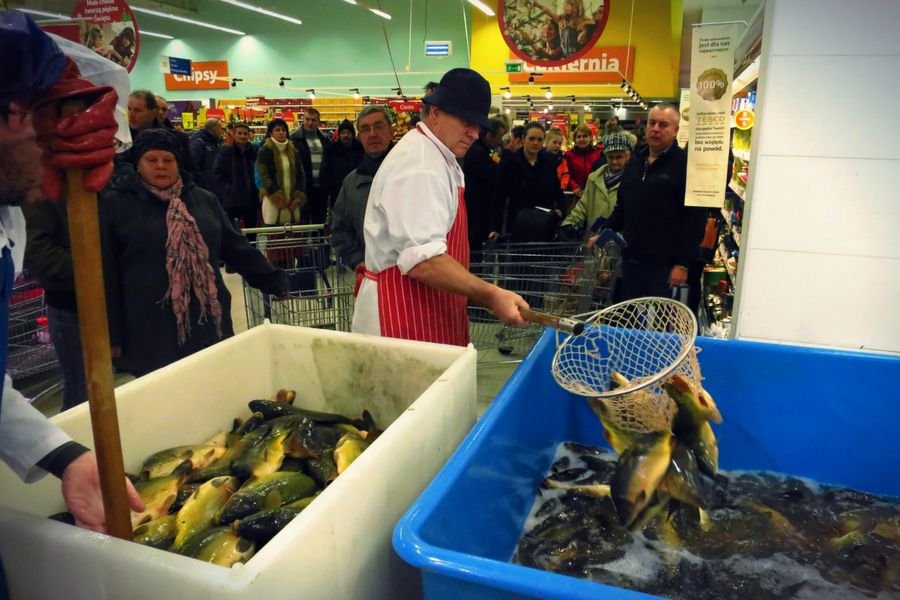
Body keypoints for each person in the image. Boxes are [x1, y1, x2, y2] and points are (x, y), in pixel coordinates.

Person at [0, 11, 143, 547]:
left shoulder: (7, 218)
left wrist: (65, 458)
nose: (59, 160)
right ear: (14, 116)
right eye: (48, 131)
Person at [352, 68, 529, 345]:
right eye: (465, 120)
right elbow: (424, 261)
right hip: (400, 315)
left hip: (426, 306)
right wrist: (490, 295)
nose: (473, 132)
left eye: (478, 124)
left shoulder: (438, 156)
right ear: (435, 113)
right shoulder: (420, 165)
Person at [100, 128, 289, 377]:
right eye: (151, 160)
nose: (160, 166)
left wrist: (273, 280)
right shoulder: (117, 204)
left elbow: (235, 247)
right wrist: (112, 335)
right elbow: (106, 274)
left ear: (179, 163)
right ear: (138, 163)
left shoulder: (202, 200)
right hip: (149, 329)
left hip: (207, 323)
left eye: (168, 160)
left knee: (213, 388)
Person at [606, 104, 707, 302]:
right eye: (652, 123)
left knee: (659, 326)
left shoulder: (685, 166)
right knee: (630, 320)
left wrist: (683, 264)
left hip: (665, 267)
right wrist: (604, 232)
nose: (655, 129)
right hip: (632, 261)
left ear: (675, 131)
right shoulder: (636, 161)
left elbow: (695, 219)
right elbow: (623, 207)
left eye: (663, 125)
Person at [21, 198, 87, 411]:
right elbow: (36, 251)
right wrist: (93, 265)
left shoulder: (103, 183)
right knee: (81, 391)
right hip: (69, 303)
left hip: (106, 302)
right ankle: (76, 441)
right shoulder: (43, 194)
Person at [331, 105, 393, 271]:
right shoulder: (350, 184)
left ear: (391, 131)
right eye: (365, 129)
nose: (372, 134)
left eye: (379, 126)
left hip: (414, 280)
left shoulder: (412, 175)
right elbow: (340, 230)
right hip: (371, 278)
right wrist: (358, 261)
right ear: (359, 136)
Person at [495, 121, 567, 240]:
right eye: (531, 138)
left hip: (544, 225)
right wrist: (495, 228)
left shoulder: (548, 163)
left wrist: (561, 209)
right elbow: (499, 197)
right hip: (518, 226)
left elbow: (557, 191)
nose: (535, 143)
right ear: (523, 139)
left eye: (539, 139)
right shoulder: (509, 164)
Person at [560, 131, 634, 239]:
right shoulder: (594, 178)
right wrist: (568, 224)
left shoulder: (633, 181)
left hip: (620, 243)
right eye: (611, 157)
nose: (614, 161)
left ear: (628, 156)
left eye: (619, 157)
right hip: (593, 242)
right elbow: (583, 206)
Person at [463, 116, 506, 265]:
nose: (501, 141)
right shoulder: (477, 152)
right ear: (489, 135)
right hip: (475, 213)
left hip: (479, 213)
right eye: (500, 136)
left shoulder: (486, 150)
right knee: (474, 256)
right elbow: (493, 176)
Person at [256, 118, 306, 225]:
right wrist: (276, 196)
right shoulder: (265, 151)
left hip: (292, 201)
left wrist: (298, 197)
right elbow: (264, 176)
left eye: (283, 130)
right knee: (274, 231)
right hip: (272, 200)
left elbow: (300, 175)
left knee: (293, 234)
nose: (281, 133)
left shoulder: (293, 151)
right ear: (271, 133)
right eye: (277, 130)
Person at [212, 121, 258, 234]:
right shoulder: (225, 153)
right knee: (231, 233)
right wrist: (228, 189)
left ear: (249, 135)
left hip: (251, 200)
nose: (242, 136)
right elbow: (217, 174)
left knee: (252, 233)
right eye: (240, 133)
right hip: (232, 201)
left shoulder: (254, 152)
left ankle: (251, 251)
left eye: (245, 134)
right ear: (234, 134)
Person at [289, 107, 331, 224]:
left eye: (313, 120)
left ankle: (319, 242)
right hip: (302, 188)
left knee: (320, 221)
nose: (310, 123)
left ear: (318, 122)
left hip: (321, 188)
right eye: (307, 119)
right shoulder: (294, 139)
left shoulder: (325, 140)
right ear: (303, 119)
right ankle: (305, 243)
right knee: (302, 221)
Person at [320, 118, 364, 212]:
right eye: (343, 133)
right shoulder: (331, 150)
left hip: (358, 194)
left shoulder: (361, 149)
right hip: (337, 194)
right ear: (339, 134)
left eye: (348, 133)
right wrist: (329, 189)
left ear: (353, 134)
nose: (345, 135)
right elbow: (325, 172)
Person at [528, 0, 595, 56]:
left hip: (577, 52)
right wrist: (537, 4)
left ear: (578, 6)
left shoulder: (581, 18)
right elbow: (547, 11)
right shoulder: (561, 19)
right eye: (567, 4)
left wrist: (583, 24)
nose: (569, 7)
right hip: (565, 53)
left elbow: (592, 22)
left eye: (572, 5)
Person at [563, 124, 602, 198]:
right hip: (574, 194)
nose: (582, 139)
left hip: (595, 193)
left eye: (585, 136)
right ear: (575, 140)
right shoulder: (568, 155)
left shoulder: (598, 153)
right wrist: (574, 187)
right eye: (579, 137)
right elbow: (566, 174)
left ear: (590, 137)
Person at [189, 117, 223, 193]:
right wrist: (201, 184)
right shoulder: (198, 143)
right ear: (213, 128)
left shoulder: (215, 142)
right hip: (204, 187)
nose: (222, 131)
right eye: (220, 128)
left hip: (214, 185)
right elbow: (193, 165)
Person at [542, 127, 571, 191]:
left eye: (559, 143)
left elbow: (565, 176)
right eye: (554, 142)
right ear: (546, 142)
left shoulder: (562, 161)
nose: (557, 145)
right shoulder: (540, 158)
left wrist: (560, 188)